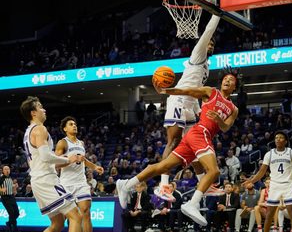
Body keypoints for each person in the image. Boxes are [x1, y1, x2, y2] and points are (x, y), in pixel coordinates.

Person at [117, 67, 240, 226]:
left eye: (231, 80)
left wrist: (218, 119)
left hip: (196, 137)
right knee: (214, 170)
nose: (227, 80)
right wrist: (165, 91)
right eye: (225, 78)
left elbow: (225, 127)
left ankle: (126, 184)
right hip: (199, 132)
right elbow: (186, 90)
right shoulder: (211, 92)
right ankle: (193, 204)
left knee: (162, 166)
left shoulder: (234, 109)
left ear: (234, 87)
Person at [155, 14, 222, 201]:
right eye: (209, 43)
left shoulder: (207, 66)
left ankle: (205, 185)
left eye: (212, 45)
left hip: (190, 105)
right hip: (177, 101)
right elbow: (208, 32)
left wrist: (200, 112)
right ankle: (163, 185)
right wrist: (217, 15)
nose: (210, 46)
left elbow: (197, 92)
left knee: (195, 148)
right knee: (173, 142)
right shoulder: (197, 54)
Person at [20, 96, 83, 232]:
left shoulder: (28, 131)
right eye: (40, 107)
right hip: (46, 180)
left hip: (39, 180)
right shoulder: (39, 129)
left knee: (58, 224)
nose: (44, 109)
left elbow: (41, 160)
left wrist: (61, 162)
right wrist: (68, 160)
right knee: (76, 216)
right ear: (33, 113)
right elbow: (46, 156)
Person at [243, 130, 292, 232]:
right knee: (270, 214)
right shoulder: (269, 154)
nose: (278, 139)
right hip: (274, 185)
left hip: (288, 185)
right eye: (276, 138)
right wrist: (251, 181)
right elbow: (261, 172)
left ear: (286, 141)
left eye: (281, 137)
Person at [55, 116, 104, 232]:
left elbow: (83, 160)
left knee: (86, 212)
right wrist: (70, 159)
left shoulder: (81, 143)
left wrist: (95, 166)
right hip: (66, 184)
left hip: (81, 183)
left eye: (75, 124)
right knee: (65, 218)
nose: (74, 126)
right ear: (65, 129)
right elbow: (56, 163)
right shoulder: (62, 143)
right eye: (71, 124)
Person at [0, 166, 19, 232]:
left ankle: (9, 223)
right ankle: (15, 229)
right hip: (5, 198)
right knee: (11, 213)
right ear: (3, 171)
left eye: (8, 169)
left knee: (17, 213)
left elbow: (12, 189)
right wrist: (1, 190)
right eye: (5, 169)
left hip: (11, 197)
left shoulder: (10, 178)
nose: (7, 170)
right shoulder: (1, 179)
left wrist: (14, 188)